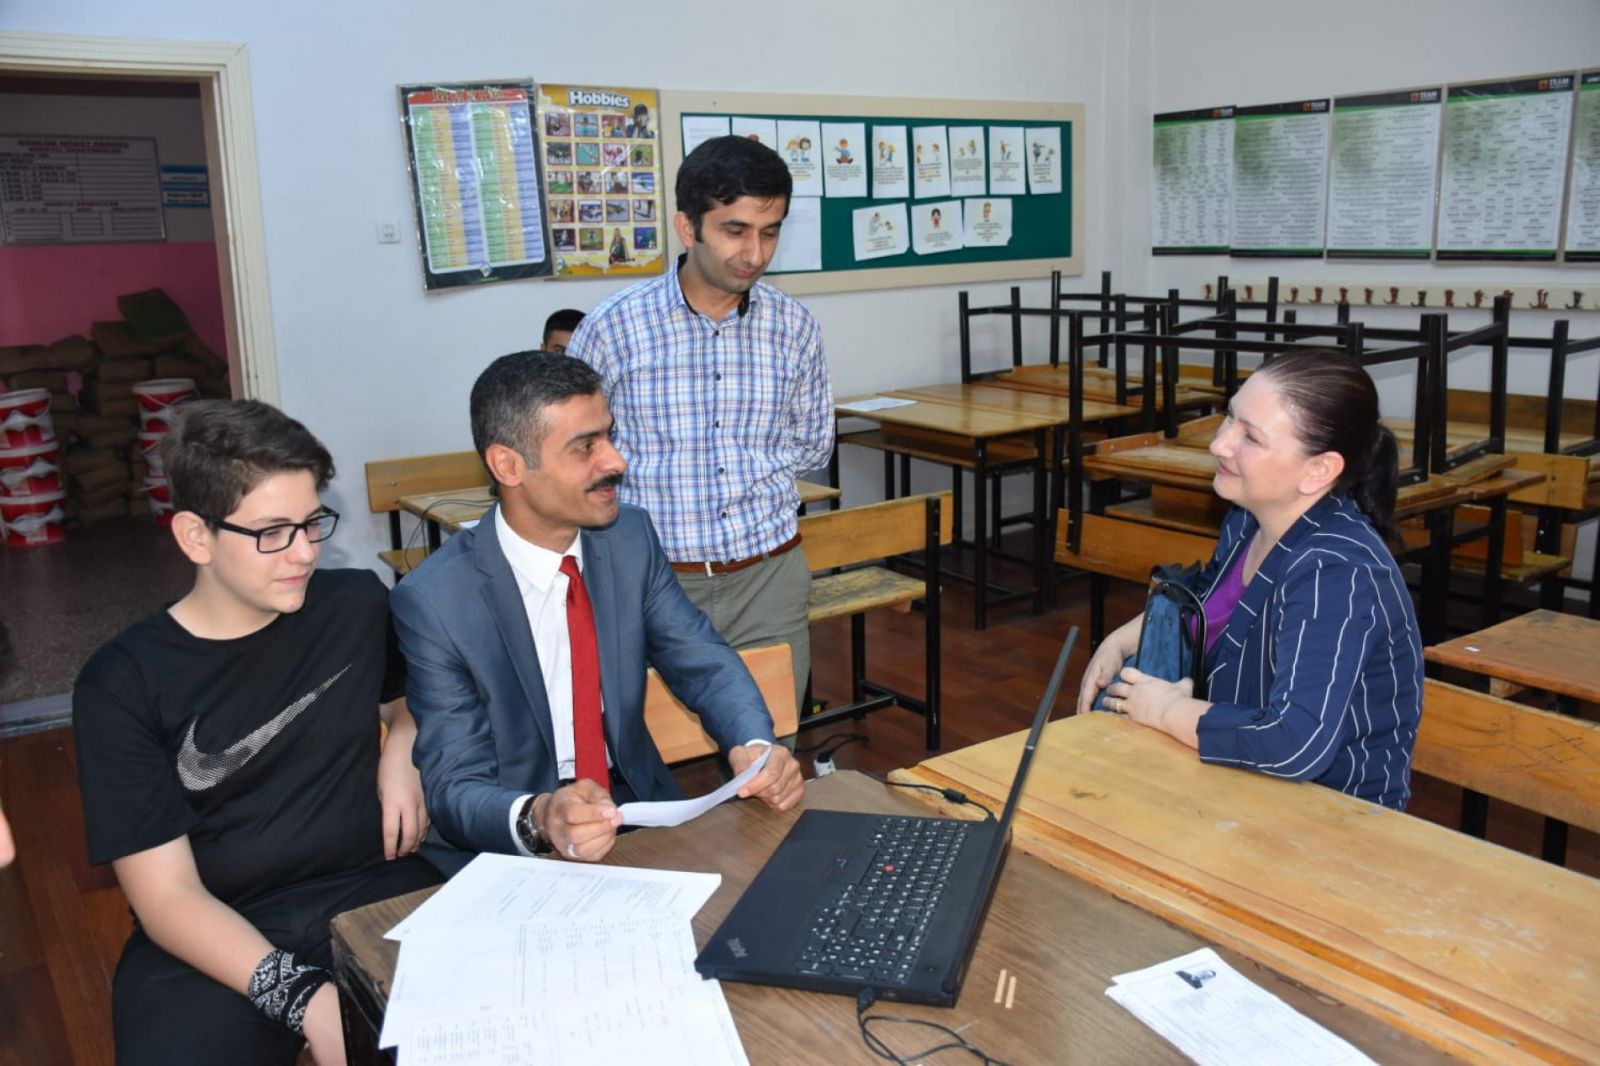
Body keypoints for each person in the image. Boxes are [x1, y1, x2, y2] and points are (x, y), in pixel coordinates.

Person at [73, 400, 440, 1065]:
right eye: (273, 532)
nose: (304, 552)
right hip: (211, 929)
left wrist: (404, 746)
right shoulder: (121, 682)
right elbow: (166, 897)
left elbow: (405, 699)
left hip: (373, 889)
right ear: (196, 536)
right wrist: (308, 1000)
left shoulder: (356, 604)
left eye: (312, 523)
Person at [390, 352, 803, 876]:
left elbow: (703, 660)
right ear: (508, 466)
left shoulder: (629, 539)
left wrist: (755, 747)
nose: (616, 462)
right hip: (514, 837)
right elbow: (456, 785)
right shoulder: (436, 600)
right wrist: (541, 816)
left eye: (609, 436)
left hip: (633, 808)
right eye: (586, 447)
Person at [1076, 350, 1422, 810]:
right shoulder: (1248, 519)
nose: (1219, 444)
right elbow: (1210, 603)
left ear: (1318, 470)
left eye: (1251, 438)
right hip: (1236, 783)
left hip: (1329, 817)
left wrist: (1166, 710)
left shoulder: (1337, 572)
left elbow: (1294, 742)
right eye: (1229, 417)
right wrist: (1121, 640)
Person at [566, 135, 832, 712]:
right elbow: (574, 452)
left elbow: (813, 445)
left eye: (770, 232)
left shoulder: (794, 326)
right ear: (687, 228)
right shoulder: (613, 329)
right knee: (649, 748)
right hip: (650, 583)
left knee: (770, 744)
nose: (754, 253)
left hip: (768, 578)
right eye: (735, 230)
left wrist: (745, 475)